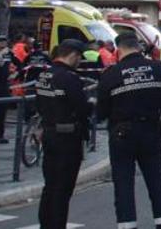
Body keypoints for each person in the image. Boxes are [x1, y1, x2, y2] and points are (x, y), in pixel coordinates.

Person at [97, 32, 161, 229]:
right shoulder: (158, 68)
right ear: (138, 47)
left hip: (122, 134)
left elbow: (101, 112)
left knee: (123, 185)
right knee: (156, 182)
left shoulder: (111, 74)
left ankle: (127, 226)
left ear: (119, 50)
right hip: (151, 131)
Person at [36, 39, 93, 229]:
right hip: (68, 137)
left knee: (50, 186)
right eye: (79, 58)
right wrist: (91, 105)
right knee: (62, 190)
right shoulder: (69, 78)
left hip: (49, 134)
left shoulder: (44, 74)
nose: (79, 62)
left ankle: (46, 225)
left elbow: (38, 104)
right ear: (73, 55)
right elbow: (82, 108)